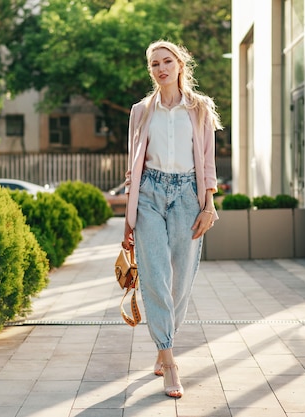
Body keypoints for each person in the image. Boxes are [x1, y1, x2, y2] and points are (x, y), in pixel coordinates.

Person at [122, 40, 222, 398]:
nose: (161, 68)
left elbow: (207, 161)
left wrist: (209, 204)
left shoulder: (200, 109)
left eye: (167, 61)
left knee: (181, 281)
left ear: (180, 65)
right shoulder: (140, 111)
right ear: (150, 70)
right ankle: (170, 359)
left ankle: (163, 343)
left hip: (187, 195)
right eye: (154, 64)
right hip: (149, 193)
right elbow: (133, 165)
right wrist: (128, 220)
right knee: (154, 276)